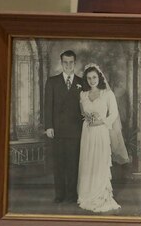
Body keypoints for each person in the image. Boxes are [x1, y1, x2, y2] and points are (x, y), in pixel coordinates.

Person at [77, 64, 126, 213]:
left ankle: (100, 195)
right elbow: (82, 114)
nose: (92, 80)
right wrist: (88, 119)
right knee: (88, 162)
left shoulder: (107, 94)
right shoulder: (83, 95)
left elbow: (114, 114)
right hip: (87, 133)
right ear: (86, 80)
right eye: (89, 78)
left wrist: (100, 121)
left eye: (94, 77)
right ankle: (87, 194)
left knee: (99, 162)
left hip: (101, 132)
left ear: (100, 77)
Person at [44, 50, 84, 203]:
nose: (68, 65)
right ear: (61, 63)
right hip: (58, 131)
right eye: (65, 62)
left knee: (74, 164)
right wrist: (49, 126)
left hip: (76, 131)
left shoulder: (82, 82)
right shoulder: (52, 81)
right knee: (59, 164)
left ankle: (72, 195)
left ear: (75, 63)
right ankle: (59, 195)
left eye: (71, 62)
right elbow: (48, 106)